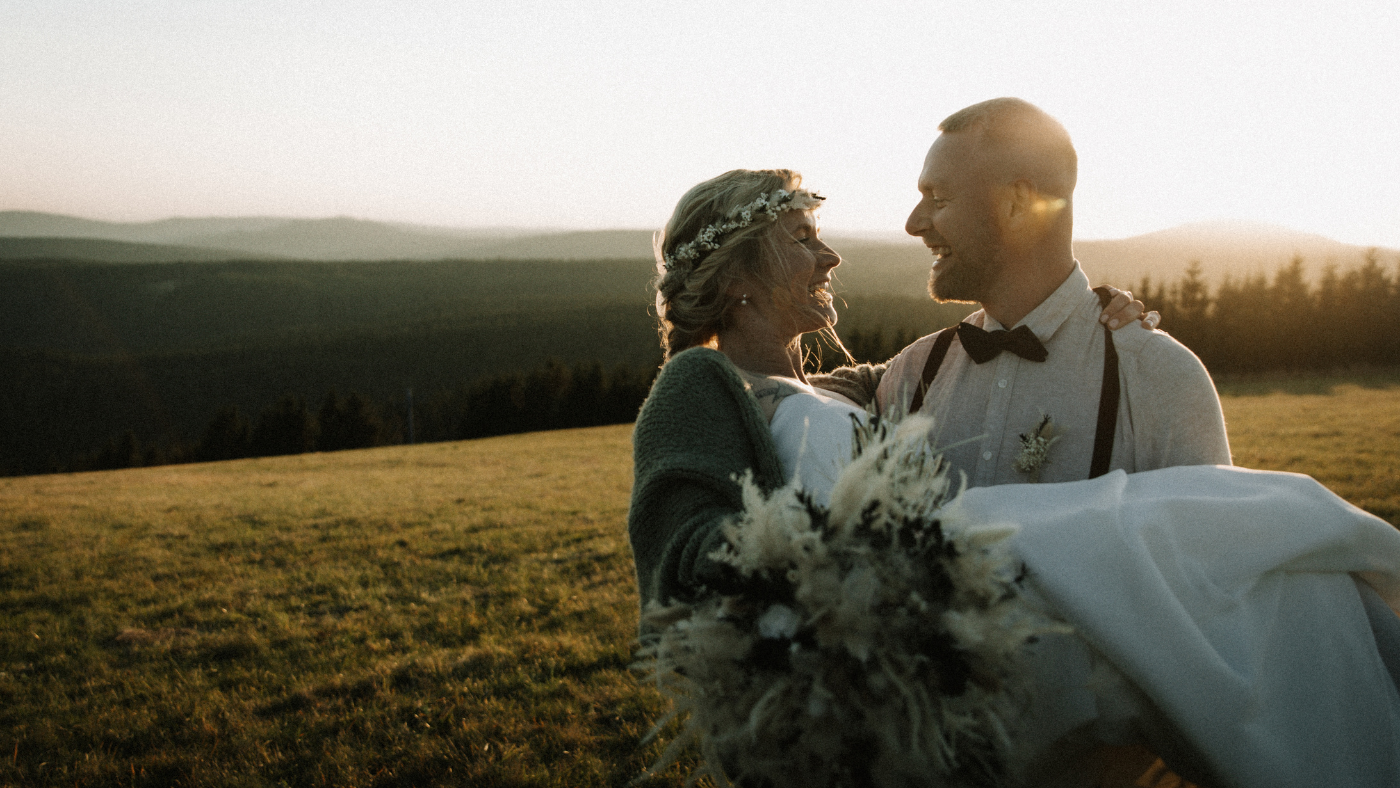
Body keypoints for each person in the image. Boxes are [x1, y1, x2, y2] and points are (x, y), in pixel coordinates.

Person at [627, 168, 1400, 787]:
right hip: (890, 606)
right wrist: (825, 565)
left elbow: (888, 381)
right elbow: (674, 552)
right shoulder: (696, 383)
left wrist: (1090, 326)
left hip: (940, 605)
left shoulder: (825, 385)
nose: (831, 258)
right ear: (739, 278)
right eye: (803, 239)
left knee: (1210, 558)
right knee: (1154, 532)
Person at [868, 98, 1230, 486]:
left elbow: (1204, 540)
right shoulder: (913, 372)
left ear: (1018, 203)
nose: (913, 223)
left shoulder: (1160, 378)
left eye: (939, 199)